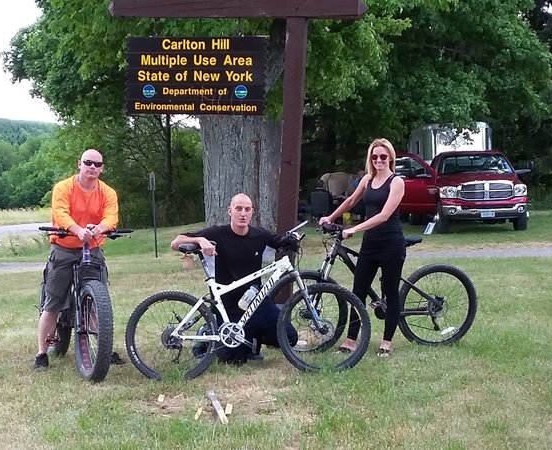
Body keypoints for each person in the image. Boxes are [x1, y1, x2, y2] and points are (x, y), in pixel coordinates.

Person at [170, 193, 298, 365]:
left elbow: (279, 242)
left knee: (290, 337)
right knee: (232, 358)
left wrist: (292, 240)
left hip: (256, 303)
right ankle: (207, 331)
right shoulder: (216, 233)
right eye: (238, 209)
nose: (243, 213)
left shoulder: (260, 235)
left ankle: (251, 339)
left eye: (247, 209)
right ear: (230, 211)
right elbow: (176, 242)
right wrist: (200, 240)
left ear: (252, 212)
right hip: (229, 307)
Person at [33, 148, 121, 370]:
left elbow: (111, 217)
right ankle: (41, 354)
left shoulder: (108, 192)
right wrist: (77, 229)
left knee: (98, 302)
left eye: (97, 164)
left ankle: (102, 348)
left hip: (92, 248)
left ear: (102, 169)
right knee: (52, 303)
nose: (92, 167)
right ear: (79, 164)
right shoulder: (63, 188)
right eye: (88, 162)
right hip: (64, 247)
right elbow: (61, 213)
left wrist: (98, 228)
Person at [319, 138, 405, 357]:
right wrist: (331, 216)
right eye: (374, 156)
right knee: (358, 292)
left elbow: (384, 216)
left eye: (383, 156)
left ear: (390, 158)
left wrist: (354, 230)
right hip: (371, 245)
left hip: (391, 243)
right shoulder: (368, 179)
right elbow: (350, 201)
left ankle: (386, 342)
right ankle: (351, 340)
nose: (378, 160)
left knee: (391, 293)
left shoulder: (396, 182)